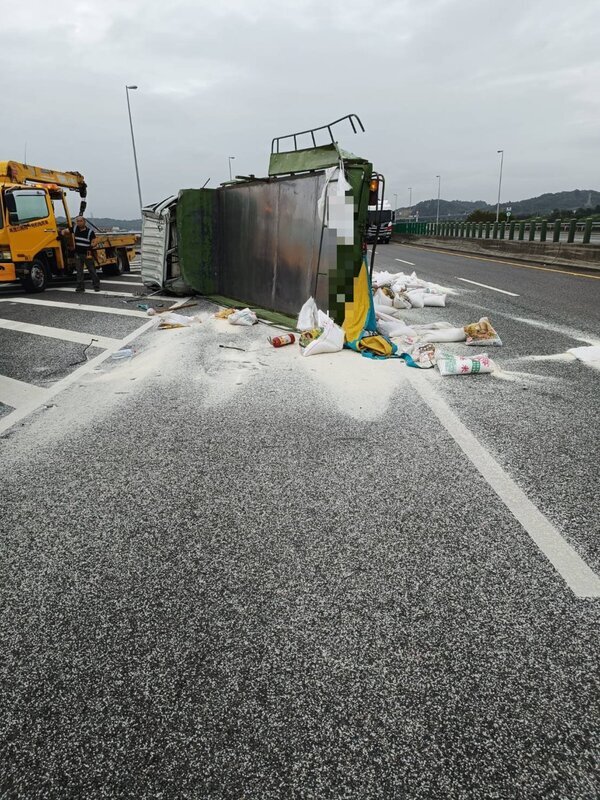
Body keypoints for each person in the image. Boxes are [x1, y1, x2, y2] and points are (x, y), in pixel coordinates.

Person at [69, 216, 100, 292]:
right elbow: (65, 231)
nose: (79, 223)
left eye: (80, 221)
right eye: (77, 221)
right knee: (79, 271)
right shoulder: (74, 229)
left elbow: (95, 241)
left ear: (84, 222)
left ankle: (96, 286)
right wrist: (60, 234)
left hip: (87, 254)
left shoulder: (90, 232)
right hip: (78, 254)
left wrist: (92, 245)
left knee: (92, 270)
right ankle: (80, 287)